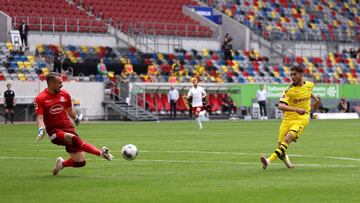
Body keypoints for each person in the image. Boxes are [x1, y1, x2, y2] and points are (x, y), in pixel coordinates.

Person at [34, 72, 113, 176]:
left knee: (80, 162)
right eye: (59, 82)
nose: (61, 85)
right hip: (55, 132)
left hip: (68, 128)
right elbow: (40, 118)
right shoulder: (40, 98)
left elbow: (70, 110)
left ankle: (61, 164)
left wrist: (76, 119)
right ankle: (101, 153)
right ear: (52, 83)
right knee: (75, 139)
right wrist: (40, 129)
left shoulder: (65, 94)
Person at [260, 66, 319, 169]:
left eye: (294, 74)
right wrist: (297, 109)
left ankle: (268, 161)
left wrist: (316, 100)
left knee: (288, 138)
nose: (292, 77)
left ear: (301, 74)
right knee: (280, 147)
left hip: (302, 119)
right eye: (291, 75)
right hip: (287, 119)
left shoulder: (310, 85)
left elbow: (308, 91)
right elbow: (281, 106)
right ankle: (288, 164)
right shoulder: (289, 90)